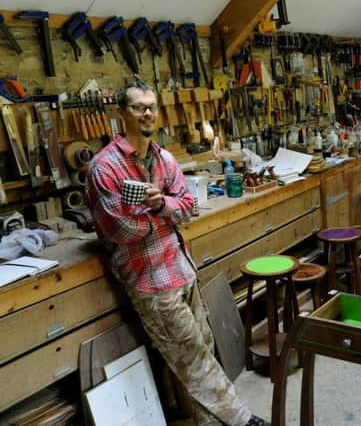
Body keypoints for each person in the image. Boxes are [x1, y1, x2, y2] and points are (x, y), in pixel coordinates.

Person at [85, 79, 269, 426]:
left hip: (182, 271)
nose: (147, 113)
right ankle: (243, 421)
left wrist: (162, 205)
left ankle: (209, 422)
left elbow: (186, 208)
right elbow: (121, 231)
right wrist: (162, 214)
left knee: (199, 351)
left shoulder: (164, 158)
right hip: (152, 283)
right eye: (138, 107)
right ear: (121, 113)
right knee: (193, 357)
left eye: (151, 106)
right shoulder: (104, 168)